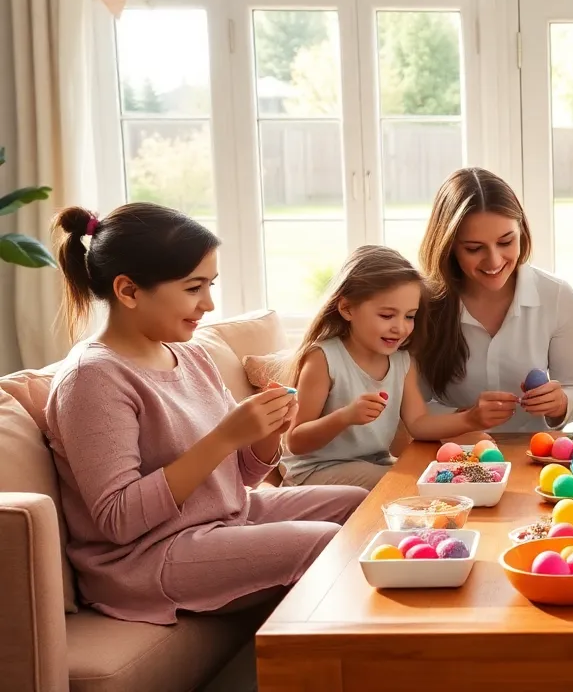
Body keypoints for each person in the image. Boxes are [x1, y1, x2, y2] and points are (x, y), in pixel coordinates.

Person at [43, 203, 365, 625]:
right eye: (194, 288)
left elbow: (239, 480)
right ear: (128, 291)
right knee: (324, 542)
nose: (209, 304)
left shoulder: (190, 355)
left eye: (211, 285)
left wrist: (268, 431)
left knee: (363, 507)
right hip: (147, 556)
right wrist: (226, 438)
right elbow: (118, 520)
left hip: (225, 519)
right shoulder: (92, 379)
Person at [284, 245, 488, 490]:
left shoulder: (402, 361)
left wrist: (472, 418)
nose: (400, 328)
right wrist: (345, 416)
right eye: (387, 315)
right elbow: (295, 441)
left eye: (409, 316)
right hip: (316, 472)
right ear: (347, 309)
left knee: (435, 476)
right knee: (413, 485)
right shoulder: (323, 358)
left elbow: (418, 423)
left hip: (375, 465)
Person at [415, 168, 573, 434]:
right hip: (452, 453)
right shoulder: (424, 303)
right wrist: (467, 418)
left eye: (506, 242)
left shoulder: (557, 295)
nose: (494, 261)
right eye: (474, 248)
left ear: (521, 233)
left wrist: (560, 402)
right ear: (449, 247)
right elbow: (414, 405)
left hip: (533, 452)